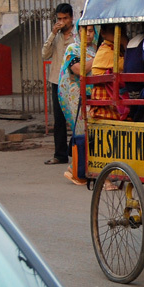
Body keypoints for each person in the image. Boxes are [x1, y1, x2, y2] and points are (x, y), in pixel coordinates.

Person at [58, 20, 98, 185]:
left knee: (90, 130)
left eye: (91, 31)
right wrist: (98, 60)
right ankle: (78, 171)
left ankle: (77, 168)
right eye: (85, 30)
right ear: (78, 31)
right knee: (81, 129)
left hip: (90, 94)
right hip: (73, 95)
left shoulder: (94, 49)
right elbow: (77, 69)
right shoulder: (72, 49)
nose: (88, 34)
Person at [42, 3, 74, 165]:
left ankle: (75, 149)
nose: (62, 22)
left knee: (77, 118)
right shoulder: (56, 37)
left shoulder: (78, 35)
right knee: (59, 119)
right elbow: (44, 54)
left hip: (73, 82)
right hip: (56, 81)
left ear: (71, 18)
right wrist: (52, 34)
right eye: (59, 19)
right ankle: (60, 154)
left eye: (65, 18)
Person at [89, 24, 129, 120]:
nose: (118, 33)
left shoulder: (114, 48)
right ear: (103, 33)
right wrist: (125, 42)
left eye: (121, 29)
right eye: (113, 30)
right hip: (107, 101)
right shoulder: (106, 51)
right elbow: (128, 65)